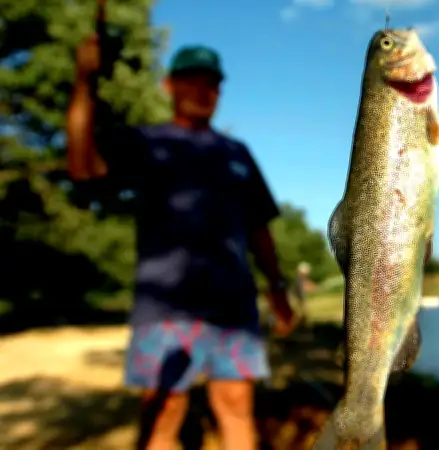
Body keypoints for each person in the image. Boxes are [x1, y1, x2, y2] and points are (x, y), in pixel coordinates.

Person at [65, 34, 295, 450]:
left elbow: (259, 228)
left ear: (220, 92)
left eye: (211, 83)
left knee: (236, 406)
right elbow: (82, 167)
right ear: (168, 85)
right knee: (164, 410)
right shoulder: (146, 142)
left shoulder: (237, 153)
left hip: (233, 308)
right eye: (190, 80)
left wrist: (278, 290)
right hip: (163, 307)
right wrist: (84, 81)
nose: (201, 91)